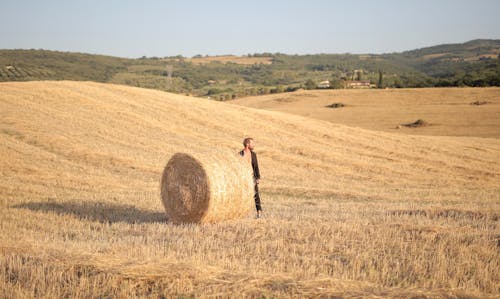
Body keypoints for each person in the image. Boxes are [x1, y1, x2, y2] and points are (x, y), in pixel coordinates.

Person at [239, 137, 262, 218]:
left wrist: (258, 177)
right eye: (252, 143)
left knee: (256, 194)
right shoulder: (240, 154)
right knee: (244, 195)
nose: (254, 145)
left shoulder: (253, 154)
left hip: (252, 177)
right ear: (247, 144)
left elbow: (256, 167)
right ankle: (242, 213)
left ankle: (259, 212)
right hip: (244, 178)